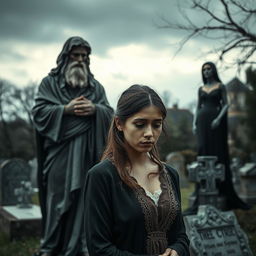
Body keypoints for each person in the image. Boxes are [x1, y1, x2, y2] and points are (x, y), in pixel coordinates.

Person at [84, 85, 190, 256]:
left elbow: (180, 236)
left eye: (157, 125)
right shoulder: (101, 176)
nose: (149, 133)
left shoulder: (170, 174)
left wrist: (177, 250)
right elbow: (99, 247)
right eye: (140, 124)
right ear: (119, 123)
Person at [32, 36, 113, 256]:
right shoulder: (49, 84)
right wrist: (64, 110)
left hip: (88, 155)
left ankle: (82, 247)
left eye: (84, 57)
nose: (80, 60)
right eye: (75, 55)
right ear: (65, 57)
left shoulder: (96, 88)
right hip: (60, 155)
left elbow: (111, 116)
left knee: (85, 202)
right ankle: (51, 247)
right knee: (57, 199)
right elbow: (38, 113)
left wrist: (97, 110)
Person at [185, 61, 250, 215]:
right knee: (203, 150)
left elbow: (226, 105)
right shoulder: (201, 89)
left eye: (209, 69)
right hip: (202, 122)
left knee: (216, 151)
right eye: (204, 70)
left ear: (213, 70)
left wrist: (219, 119)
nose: (206, 72)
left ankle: (220, 188)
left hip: (216, 121)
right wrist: (194, 123)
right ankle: (203, 187)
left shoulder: (220, 87)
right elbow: (198, 106)